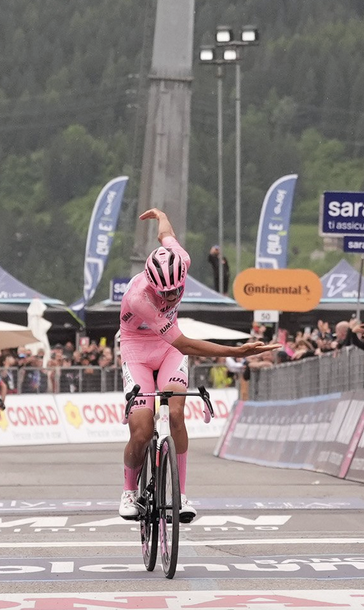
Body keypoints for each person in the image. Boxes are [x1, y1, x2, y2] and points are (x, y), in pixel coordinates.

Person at [116, 208, 278, 521]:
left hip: (168, 351)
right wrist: (237, 351)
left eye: (178, 289)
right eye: (167, 293)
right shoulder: (140, 298)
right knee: (142, 428)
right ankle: (129, 491)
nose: (174, 296)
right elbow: (186, 343)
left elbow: (167, 234)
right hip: (138, 349)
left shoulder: (181, 258)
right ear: (152, 284)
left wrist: (161, 214)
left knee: (176, 413)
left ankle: (181, 495)